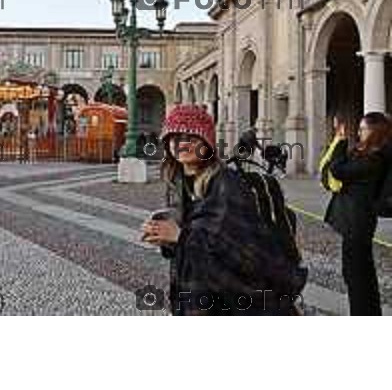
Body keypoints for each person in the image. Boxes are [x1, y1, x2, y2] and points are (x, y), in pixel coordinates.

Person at [141, 104, 304, 315]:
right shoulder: (179, 184)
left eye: (190, 137)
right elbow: (197, 244)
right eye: (174, 137)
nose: (181, 143)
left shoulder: (227, 185)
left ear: (206, 143)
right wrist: (167, 241)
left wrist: (181, 237)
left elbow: (243, 257)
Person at [320, 112, 392, 315]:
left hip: (358, 224)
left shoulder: (374, 159)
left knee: (357, 277)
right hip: (357, 223)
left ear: (375, 131)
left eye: (363, 129)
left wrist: (341, 141)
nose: (359, 133)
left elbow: (337, 169)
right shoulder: (369, 155)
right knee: (359, 275)